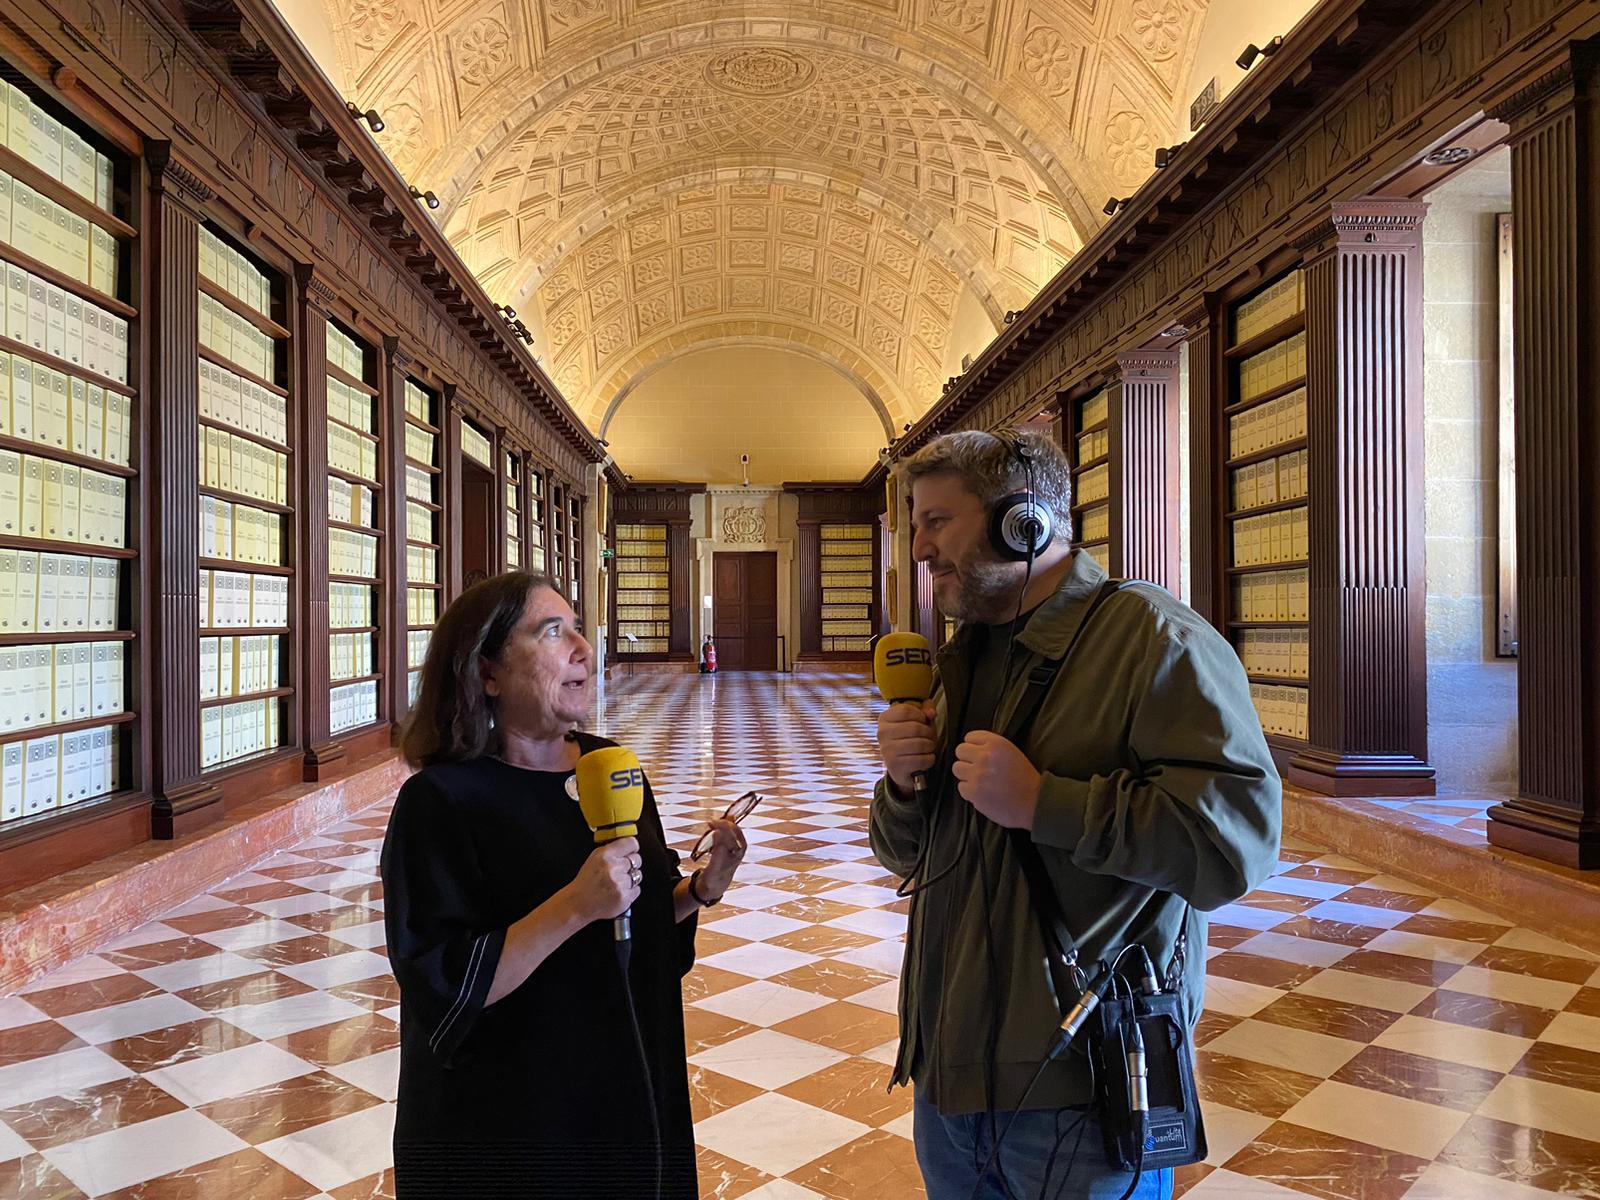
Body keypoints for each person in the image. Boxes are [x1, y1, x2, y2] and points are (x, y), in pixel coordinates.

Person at [872, 430, 1282, 1200]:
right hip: (950, 1077)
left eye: (936, 521)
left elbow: (1236, 847)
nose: (918, 548)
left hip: (1085, 1085)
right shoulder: (963, 656)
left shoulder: (1153, 639)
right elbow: (909, 857)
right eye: (915, 524)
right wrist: (902, 785)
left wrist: (1043, 803)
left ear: (1021, 523)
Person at [382, 571, 747, 1198]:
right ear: (486, 671)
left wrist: (700, 891)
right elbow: (444, 986)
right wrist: (575, 905)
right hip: (511, 1119)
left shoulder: (613, 767)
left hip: (625, 1087)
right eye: (553, 632)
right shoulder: (440, 802)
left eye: (578, 627)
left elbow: (637, 925)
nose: (584, 647)